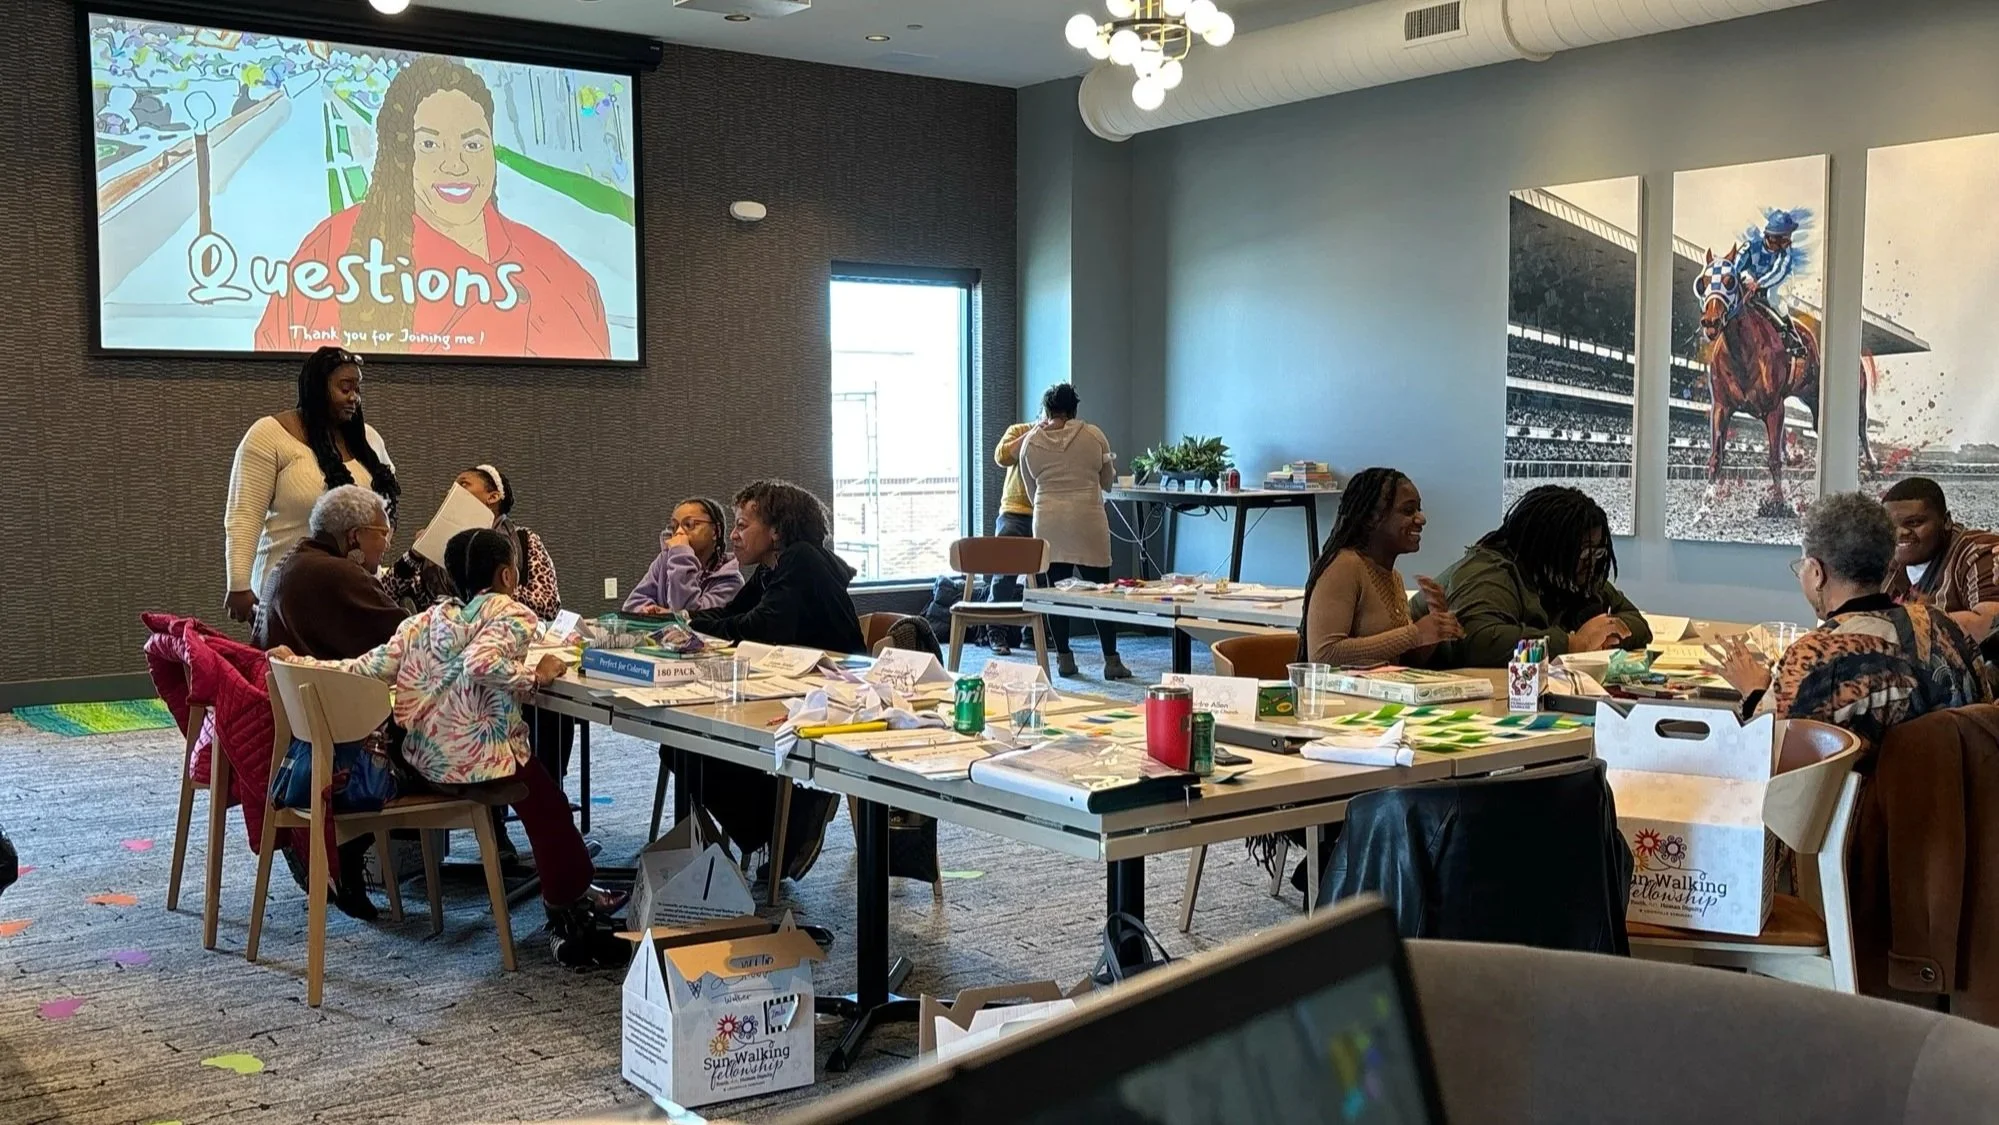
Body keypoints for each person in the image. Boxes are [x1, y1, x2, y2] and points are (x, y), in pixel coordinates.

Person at [275, 528, 626, 967]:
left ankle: (576, 894)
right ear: (507, 574)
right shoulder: (511, 612)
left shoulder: (423, 620)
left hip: (422, 763)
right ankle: (570, 914)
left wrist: (298, 663)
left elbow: (364, 668)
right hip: (477, 765)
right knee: (548, 804)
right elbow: (483, 663)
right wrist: (535, 678)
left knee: (539, 795)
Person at [254, 57, 610, 359]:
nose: (455, 165)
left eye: (472, 144)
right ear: (400, 156)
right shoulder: (331, 250)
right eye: (429, 144)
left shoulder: (564, 279)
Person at [1716, 492, 1993, 748]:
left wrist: (1754, 691)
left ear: (1817, 572)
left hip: (1866, 800)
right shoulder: (1945, 628)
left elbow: (1767, 754)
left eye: (1802, 566)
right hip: (1958, 796)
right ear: (1887, 565)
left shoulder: (1819, 655)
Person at [686, 481, 860, 883]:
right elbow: (732, 616)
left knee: (696, 747)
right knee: (681, 747)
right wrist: (686, 624)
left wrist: (697, 625)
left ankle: (794, 820)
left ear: (776, 531)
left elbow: (762, 628)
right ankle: (786, 822)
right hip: (786, 686)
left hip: (831, 694)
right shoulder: (770, 569)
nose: (733, 534)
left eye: (743, 525)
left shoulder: (802, 559)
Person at [227, 346, 399, 637]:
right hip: (289, 598)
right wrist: (239, 584)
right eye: (345, 387)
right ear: (318, 388)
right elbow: (244, 515)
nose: (354, 397)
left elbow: (386, 506)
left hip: (352, 594)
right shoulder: (268, 434)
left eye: (358, 389)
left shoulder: (369, 439)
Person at [1418, 485, 1650, 667]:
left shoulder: (1572, 578)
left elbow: (1637, 623)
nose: (1592, 562)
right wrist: (1571, 643)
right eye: (1583, 552)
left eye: (1597, 551)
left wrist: (1603, 634)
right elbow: (1478, 641)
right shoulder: (1490, 573)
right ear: (1548, 548)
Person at [1019, 384, 1130, 680]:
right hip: (1088, 522)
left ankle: (1065, 659)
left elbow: (1031, 492)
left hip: (1049, 524)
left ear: (1046, 410)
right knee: (1102, 595)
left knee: (1056, 594)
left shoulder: (1030, 442)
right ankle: (1112, 661)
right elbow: (1107, 482)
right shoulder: (1094, 436)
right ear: (1075, 409)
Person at [1298, 468, 1463, 666]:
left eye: (1419, 509)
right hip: (1340, 697)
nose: (1421, 519)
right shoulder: (1345, 566)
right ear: (1371, 519)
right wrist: (1415, 634)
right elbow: (1323, 655)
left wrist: (1435, 629)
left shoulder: (1394, 577)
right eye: (1408, 511)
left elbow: (1400, 661)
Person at [386, 464, 561, 620]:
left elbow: (548, 606)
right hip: (448, 647)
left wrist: (492, 589)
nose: (450, 492)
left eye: (463, 484)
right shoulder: (435, 550)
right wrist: (416, 553)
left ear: (493, 497)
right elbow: (385, 595)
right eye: (451, 487)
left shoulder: (524, 540)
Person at [262, 486, 406, 660]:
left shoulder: (292, 562)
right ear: (354, 536)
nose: (387, 545)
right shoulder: (341, 574)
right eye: (383, 534)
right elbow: (411, 636)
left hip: (291, 685)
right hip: (326, 685)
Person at [1880, 477, 1999, 652]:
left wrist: (1903, 623)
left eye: (1914, 523)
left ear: (1946, 521)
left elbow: (1988, 626)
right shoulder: (1888, 558)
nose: (1901, 533)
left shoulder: (1979, 552)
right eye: (1891, 526)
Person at [625, 497, 744, 613]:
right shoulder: (664, 561)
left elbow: (693, 618)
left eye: (689, 524)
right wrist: (648, 611)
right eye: (674, 527)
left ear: (715, 531)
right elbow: (632, 604)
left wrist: (681, 555)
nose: (678, 532)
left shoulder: (731, 581)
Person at [984, 420, 1040, 654]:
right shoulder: (1019, 430)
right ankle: (995, 632)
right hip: (1014, 512)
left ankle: (1032, 635)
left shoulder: (1060, 440)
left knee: (1040, 579)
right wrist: (1033, 433)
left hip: (1044, 512)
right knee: (1004, 576)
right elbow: (1001, 456)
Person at [1736, 207, 1810, 359]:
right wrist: (1743, 279)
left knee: (1774, 297)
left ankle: (1791, 335)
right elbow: (1736, 266)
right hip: (1751, 281)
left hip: (1775, 283)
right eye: (1781, 240)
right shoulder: (1750, 247)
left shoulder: (1785, 254)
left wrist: (1759, 284)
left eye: (1787, 240)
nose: (1785, 245)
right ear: (1770, 237)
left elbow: (1779, 272)